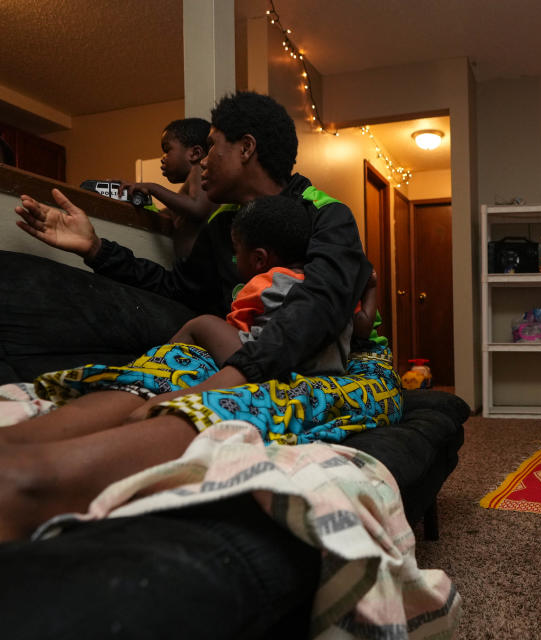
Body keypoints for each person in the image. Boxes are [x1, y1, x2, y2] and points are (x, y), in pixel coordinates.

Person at [2, 92, 391, 541]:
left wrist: (232, 376)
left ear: (245, 148)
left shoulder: (326, 214)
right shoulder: (225, 223)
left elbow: (319, 307)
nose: (201, 161)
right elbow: (178, 289)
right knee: (174, 361)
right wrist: (96, 248)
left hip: (346, 361)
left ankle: (35, 486)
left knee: (270, 397)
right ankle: (16, 446)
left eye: (212, 146)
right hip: (248, 345)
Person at [119, 118, 217, 258]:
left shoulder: (198, 170)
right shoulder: (186, 193)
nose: (163, 158)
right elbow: (169, 214)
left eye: (167, 150)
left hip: (204, 271)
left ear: (195, 153)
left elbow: (197, 208)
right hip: (189, 270)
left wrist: (152, 187)